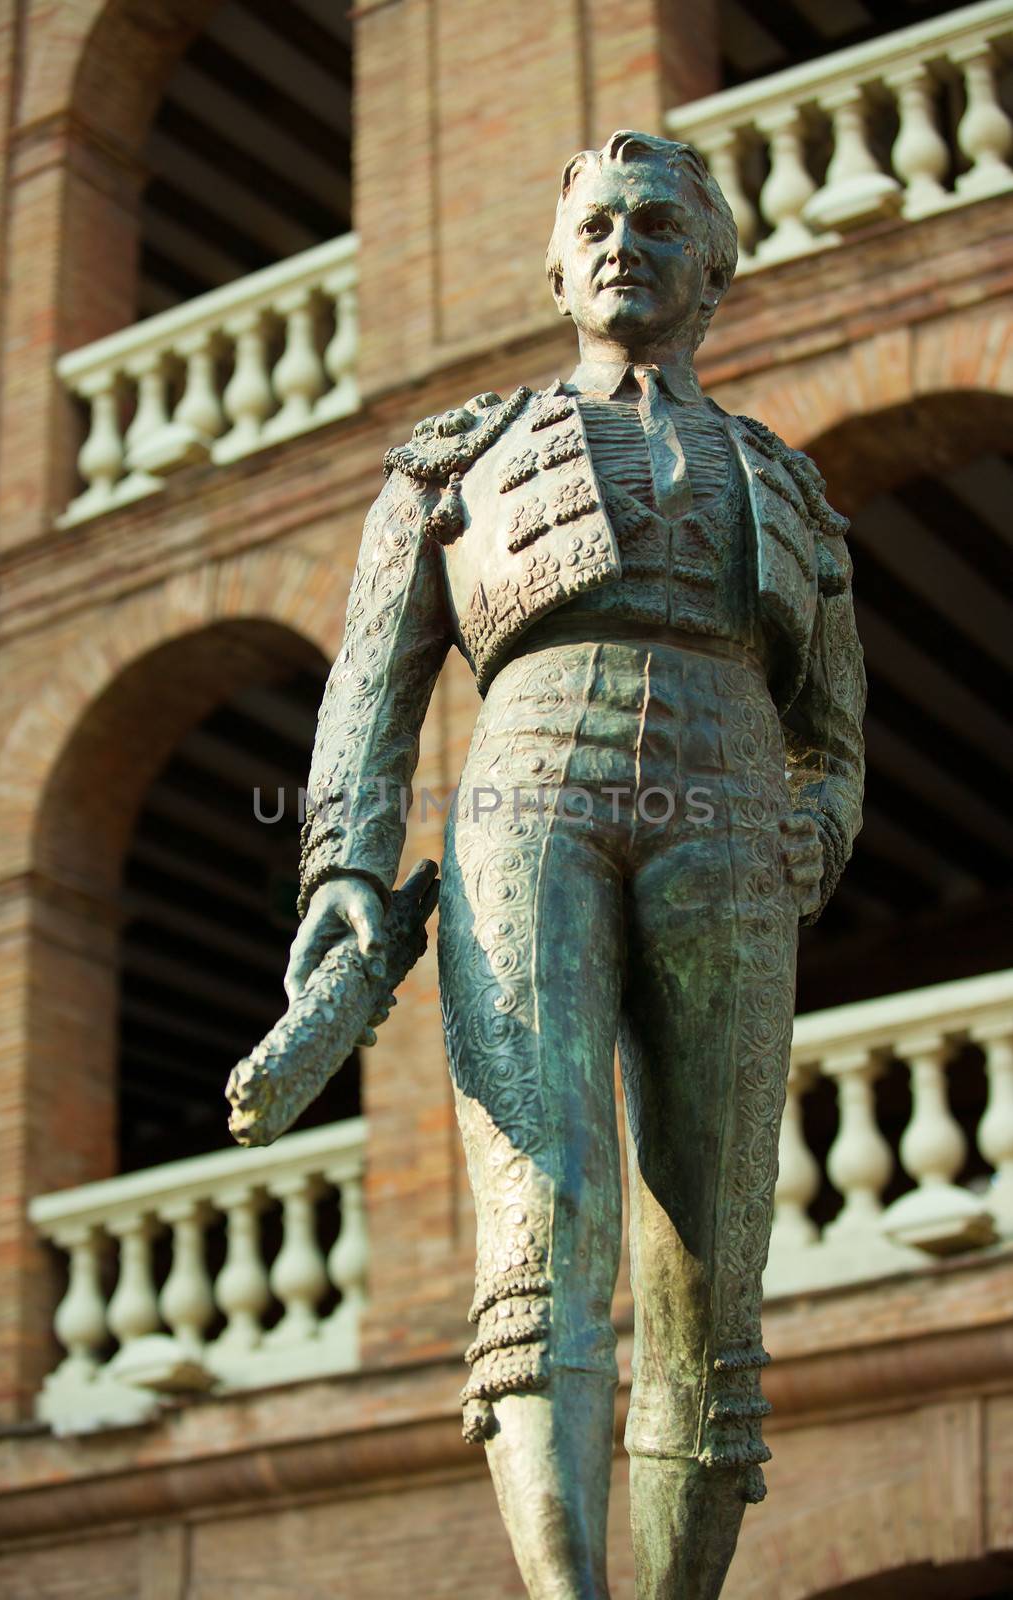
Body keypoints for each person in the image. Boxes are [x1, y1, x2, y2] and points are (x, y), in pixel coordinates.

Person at [285, 130, 865, 1600]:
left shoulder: (790, 491)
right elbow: (372, 680)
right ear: (555, 264)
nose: (626, 242)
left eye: (663, 222)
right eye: (597, 222)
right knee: (545, 1218)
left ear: (716, 267)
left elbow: (838, 734)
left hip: (731, 808)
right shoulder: (457, 458)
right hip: (523, 799)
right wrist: (343, 869)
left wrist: (824, 819)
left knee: (711, 1268)